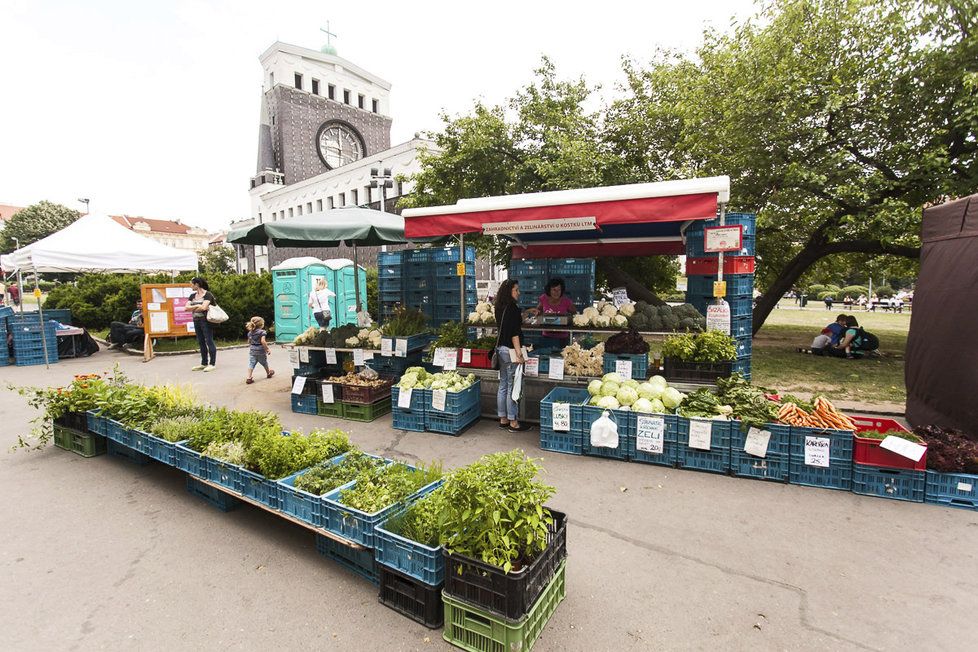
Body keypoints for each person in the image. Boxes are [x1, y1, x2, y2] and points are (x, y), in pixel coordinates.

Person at [494, 279, 531, 433]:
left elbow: (507, 327)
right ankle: (513, 422)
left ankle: (503, 419)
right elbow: (514, 333)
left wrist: (527, 312)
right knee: (512, 386)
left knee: (503, 384)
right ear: (509, 291)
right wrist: (519, 354)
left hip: (500, 349)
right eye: (516, 289)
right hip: (510, 350)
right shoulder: (513, 308)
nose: (519, 292)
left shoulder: (499, 307)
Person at [529, 278, 576, 350]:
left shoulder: (566, 301)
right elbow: (538, 310)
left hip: (562, 338)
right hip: (546, 337)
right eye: (554, 290)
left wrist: (567, 319)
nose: (556, 292)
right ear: (549, 290)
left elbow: (575, 315)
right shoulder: (544, 298)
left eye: (559, 290)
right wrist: (537, 313)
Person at [186, 277, 217, 371]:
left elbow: (204, 308)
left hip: (206, 321)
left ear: (197, 284)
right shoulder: (192, 295)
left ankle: (212, 363)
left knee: (209, 341)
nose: (190, 285)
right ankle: (204, 363)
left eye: (191, 284)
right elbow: (186, 308)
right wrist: (197, 305)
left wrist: (194, 307)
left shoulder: (208, 294)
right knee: (201, 341)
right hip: (196, 320)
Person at [245, 316, 274, 384]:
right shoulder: (262, 332)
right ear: (261, 325)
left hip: (252, 351)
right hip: (260, 350)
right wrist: (267, 349)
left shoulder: (250, 332)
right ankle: (268, 373)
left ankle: (249, 378)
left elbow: (249, 341)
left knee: (251, 364)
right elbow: (263, 341)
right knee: (264, 362)